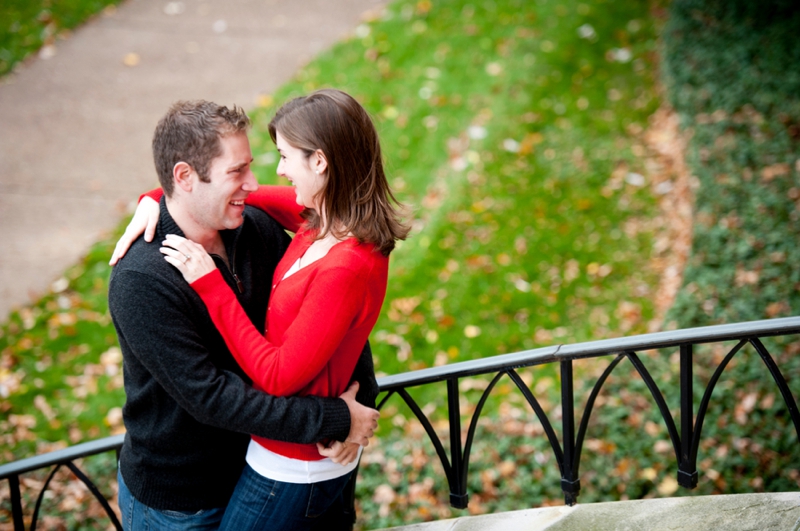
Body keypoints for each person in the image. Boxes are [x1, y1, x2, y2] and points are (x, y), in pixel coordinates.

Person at [123, 89, 410, 530]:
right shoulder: (142, 279)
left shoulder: (259, 229)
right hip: (184, 502)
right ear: (184, 177)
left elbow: (334, 325)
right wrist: (334, 418)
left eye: (263, 162)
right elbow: (211, 396)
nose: (256, 183)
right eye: (238, 171)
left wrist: (359, 400)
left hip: (272, 466)